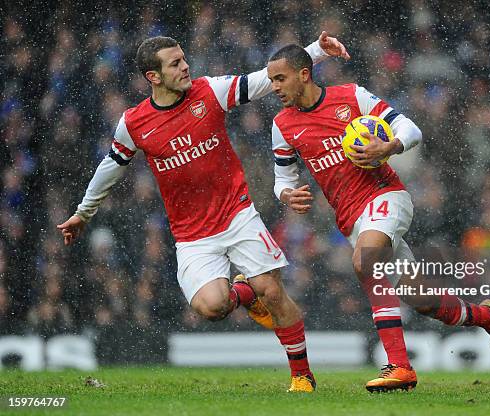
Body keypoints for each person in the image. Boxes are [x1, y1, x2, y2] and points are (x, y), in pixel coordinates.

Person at [57, 32, 350, 393]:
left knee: (272, 292)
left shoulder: (209, 91)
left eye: (183, 59)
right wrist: (83, 213)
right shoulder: (135, 122)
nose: (185, 66)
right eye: (175, 63)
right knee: (212, 307)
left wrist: (318, 50)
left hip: (238, 213)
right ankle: (243, 292)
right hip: (193, 236)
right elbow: (111, 166)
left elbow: (261, 80)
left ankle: (302, 375)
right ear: (154, 77)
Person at [266, 45, 490, 392]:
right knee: (425, 301)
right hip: (353, 220)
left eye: (280, 78)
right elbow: (283, 178)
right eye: (271, 80)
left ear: (304, 74)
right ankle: (487, 318)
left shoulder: (352, 97)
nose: (275, 86)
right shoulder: (282, 125)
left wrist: (389, 147)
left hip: (387, 197)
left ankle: (400, 367)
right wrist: (286, 194)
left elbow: (411, 129)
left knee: (366, 261)